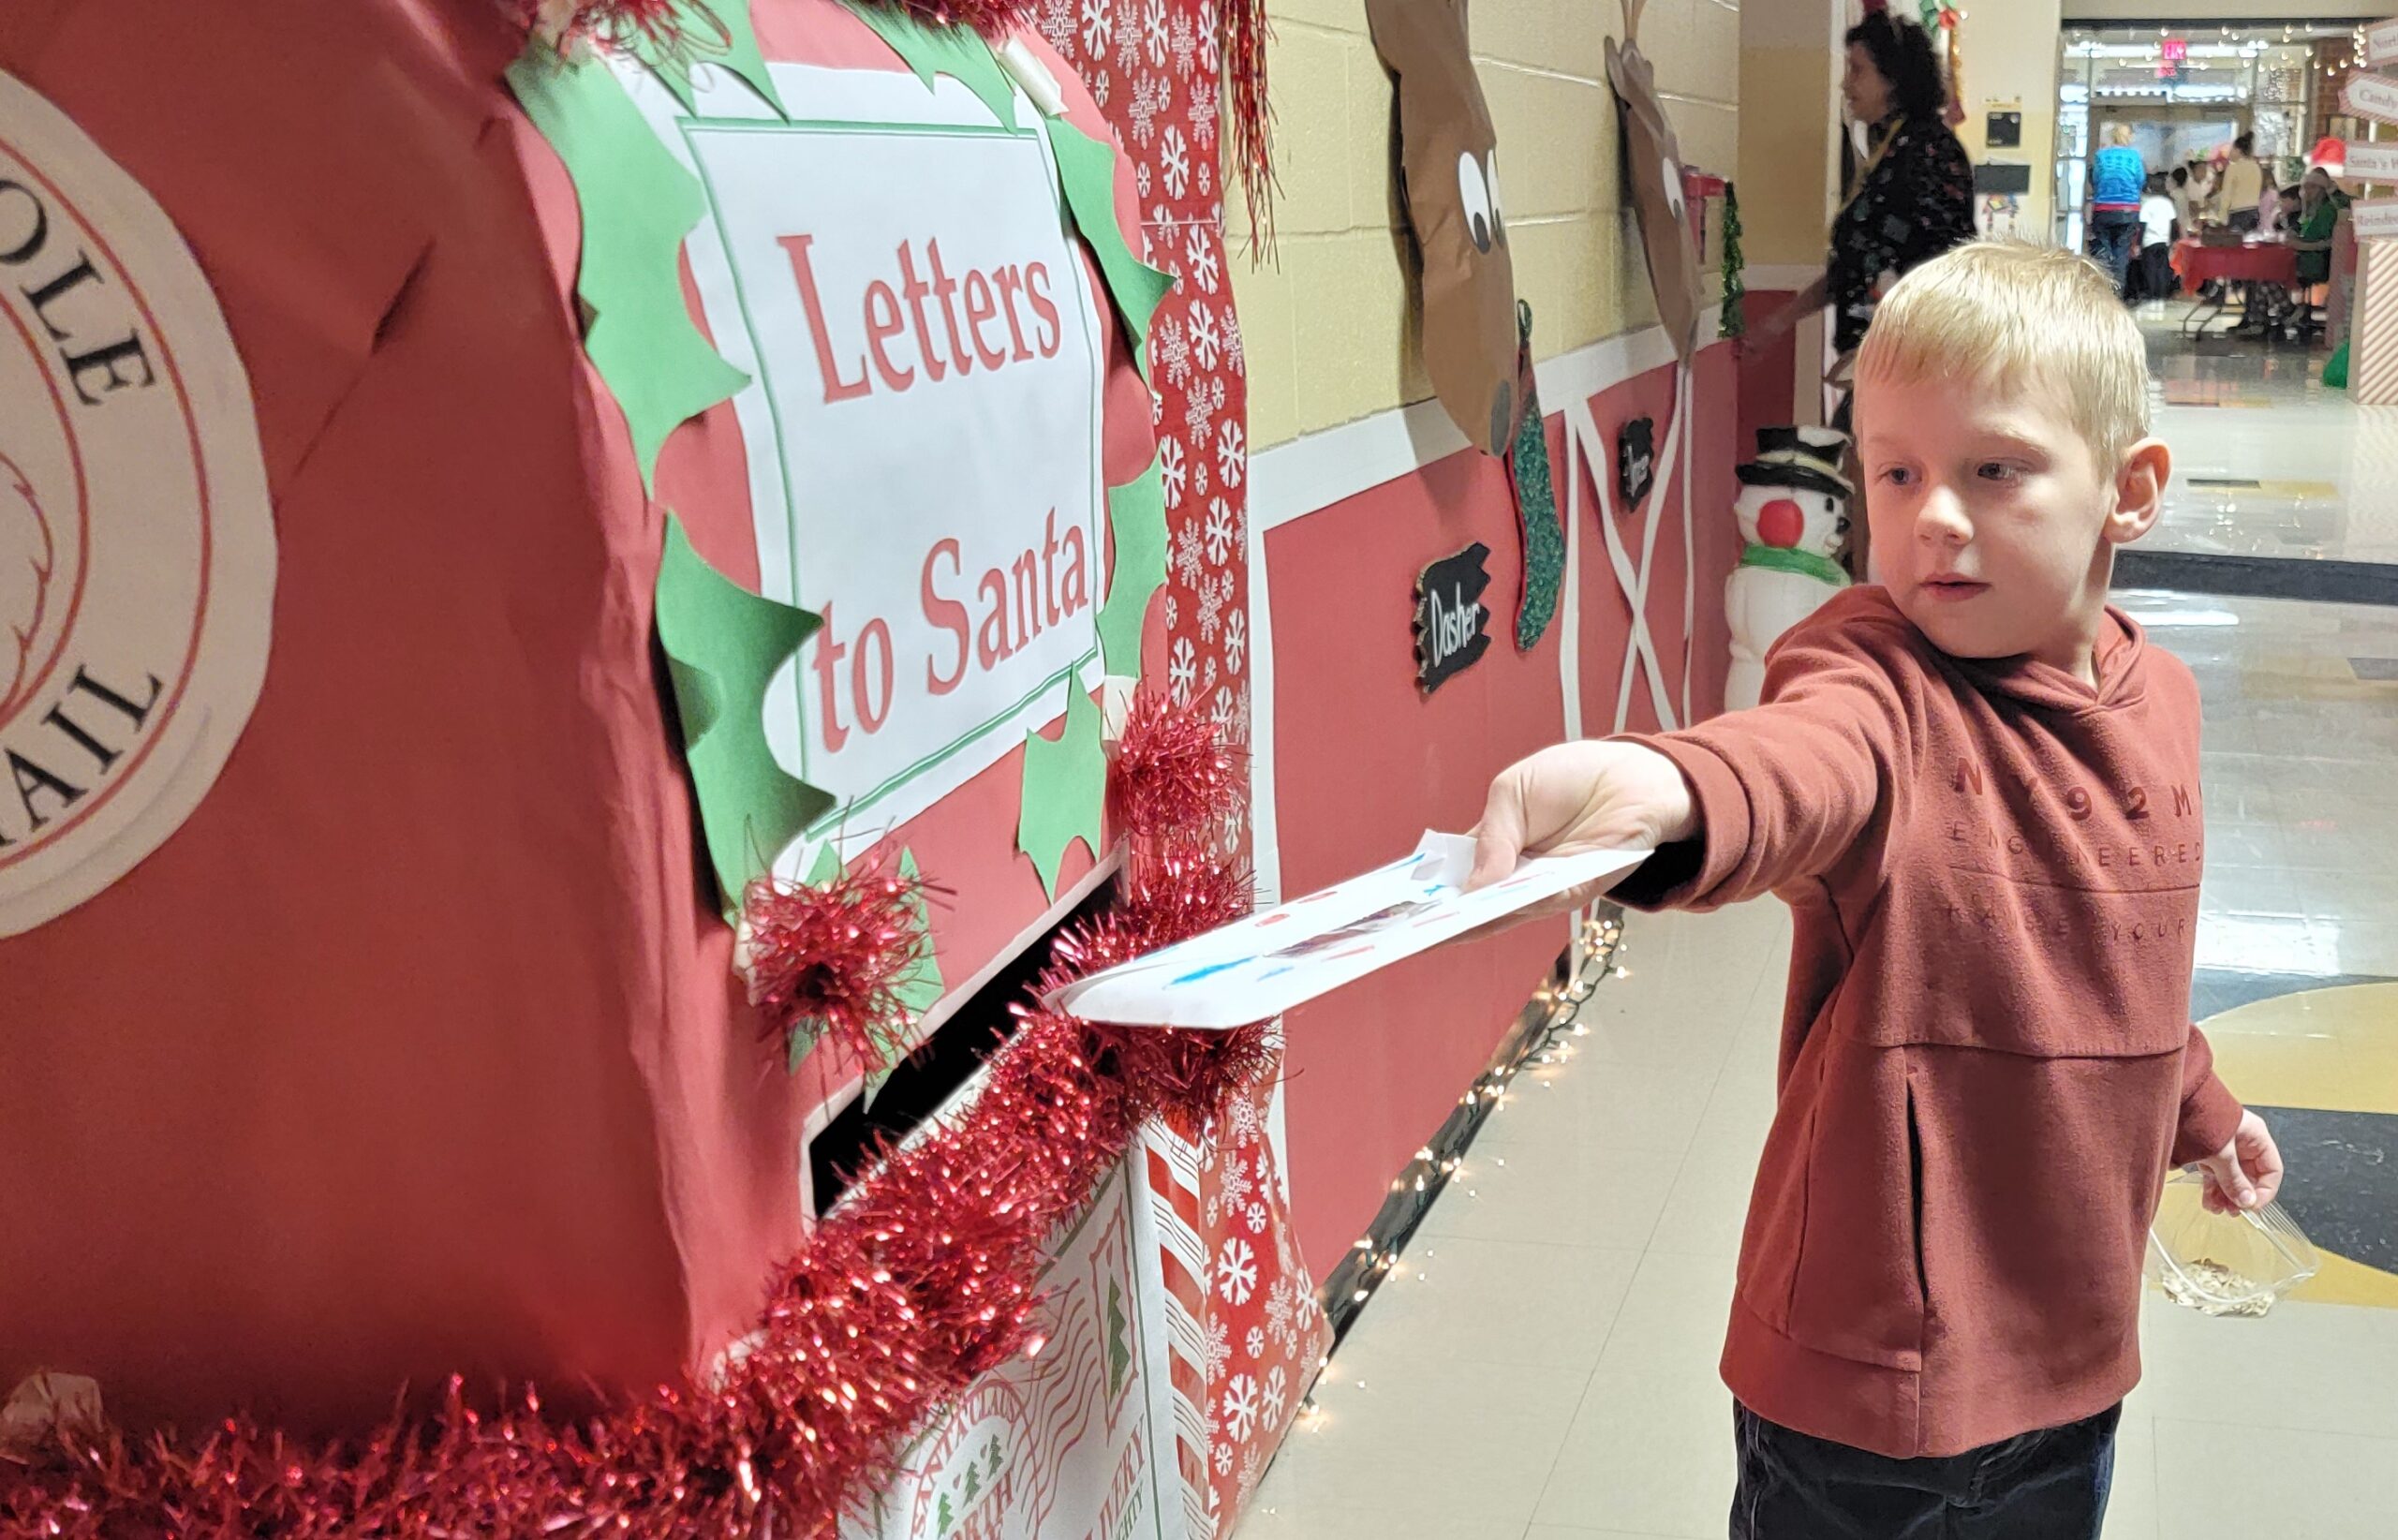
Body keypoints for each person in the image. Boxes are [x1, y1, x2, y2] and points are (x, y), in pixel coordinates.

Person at [1467, 244, 2283, 1540]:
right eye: (1895, 473)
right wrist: (1666, 788)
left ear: (2129, 492)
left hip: (2071, 1367)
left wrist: (2199, 1105)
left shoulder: (2164, 704)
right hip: (1858, 1403)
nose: (1934, 518)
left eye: (1993, 470)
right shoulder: (1874, 674)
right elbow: (1797, 763)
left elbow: (2122, 955)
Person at [1750, 9, 1972, 576]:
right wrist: (1779, 322)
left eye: (1858, 69)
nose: (1847, 83)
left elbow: (1946, 268)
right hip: (1873, 356)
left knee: (1872, 485)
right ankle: (1869, 603)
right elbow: (1852, 266)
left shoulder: (1929, 153)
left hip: (1913, 358)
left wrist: (1900, 347)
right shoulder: (1881, 151)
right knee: (1860, 482)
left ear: (1894, 78)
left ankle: (1879, 608)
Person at [2089, 124, 2146, 294]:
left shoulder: (2101, 155)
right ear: (2129, 137)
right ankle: (2116, 295)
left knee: (2103, 251)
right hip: (2128, 210)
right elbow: (2140, 181)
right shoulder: (2134, 156)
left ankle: (2101, 291)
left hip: (2103, 209)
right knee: (2121, 253)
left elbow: (2096, 180)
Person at [2132, 171, 2178, 304]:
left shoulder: (2147, 204)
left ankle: (2152, 295)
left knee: (2150, 269)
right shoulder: (2168, 203)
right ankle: (2162, 295)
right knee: (2162, 269)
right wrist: (2174, 240)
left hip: (2149, 241)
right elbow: (2173, 223)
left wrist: (2138, 244)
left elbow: (2143, 226)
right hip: (2164, 241)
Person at [2216, 132, 2272, 232]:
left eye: (2232, 149)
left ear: (2238, 150)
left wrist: (2222, 217)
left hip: (2238, 213)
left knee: (2236, 246)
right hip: (2254, 212)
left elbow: (2226, 195)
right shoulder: (2256, 167)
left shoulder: (2232, 168)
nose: (2230, 152)